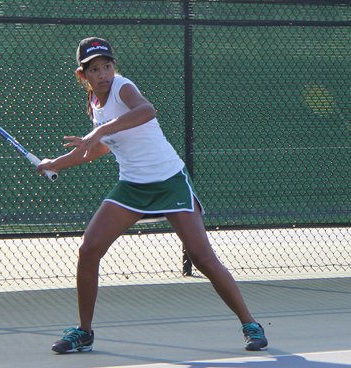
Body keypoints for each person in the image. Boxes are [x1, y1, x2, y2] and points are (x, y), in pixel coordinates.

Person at [37, 37, 268, 353]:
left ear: (114, 67)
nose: (103, 73)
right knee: (89, 249)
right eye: (94, 69)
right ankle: (84, 332)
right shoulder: (94, 103)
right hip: (132, 186)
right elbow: (103, 147)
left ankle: (249, 324)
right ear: (83, 76)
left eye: (107, 66)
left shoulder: (122, 87)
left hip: (169, 181)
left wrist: (99, 131)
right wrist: (57, 163)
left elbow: (146, 110)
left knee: (202, 257)